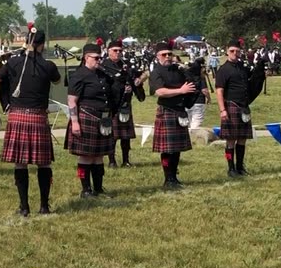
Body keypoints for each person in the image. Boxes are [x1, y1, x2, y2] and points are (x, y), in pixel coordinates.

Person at [0, 28, 60, 216]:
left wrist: (4, 66)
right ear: (42, 45)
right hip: (38, 117)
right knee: (43, 163)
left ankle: (24, 207)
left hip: (18, 116)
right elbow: (58, 81)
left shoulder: (13, 63)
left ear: (26, 42)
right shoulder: (49, 66)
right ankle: (44, 207)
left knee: (20, 163)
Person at [66, 43, 117, 198]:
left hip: (102, 120)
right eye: (95, 58)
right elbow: (72, 100)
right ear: (86, 57)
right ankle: (86, 189)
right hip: (86, 117)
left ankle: (99, 188)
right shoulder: (79, 75)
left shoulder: (102, 75)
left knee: (99, 155)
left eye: (100, 58)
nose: (98, 60)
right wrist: (75, 122)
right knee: (86, 156)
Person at [149, 41, 195, 189]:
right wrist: (181, 91)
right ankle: (167, 178)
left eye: (170, 54)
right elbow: (160, 92)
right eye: (164, 54)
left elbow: (190, 85)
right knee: (167, 149)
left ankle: (174, 177)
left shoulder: (178, 70)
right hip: (166, 111)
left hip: (180, 111)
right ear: (158, 56)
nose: (168, 56)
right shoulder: (156, 72)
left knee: (177, 149)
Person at [101, 40, 145, 168]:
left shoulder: (126, 66)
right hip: (111, 105)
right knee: (112, 135)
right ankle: (112, 161)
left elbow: (135, 80)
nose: (118, 53)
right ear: (108, 51)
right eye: (115, 50)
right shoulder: (104, 66)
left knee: (125, 136)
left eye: (120, 50)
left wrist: (135, 85)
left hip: (125, 103)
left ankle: (126, 160)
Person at [215, 41, 254, 177]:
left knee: (242, 138)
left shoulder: (242, 68)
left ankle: (240, 167)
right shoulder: (223, 70)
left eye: (237, 51)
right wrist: (222, 110)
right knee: (231, 139)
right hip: (231, 106)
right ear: (227, 51)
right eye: (232, 51)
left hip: (244, 107)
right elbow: (219, 91)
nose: (235, 54)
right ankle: (231, 169)